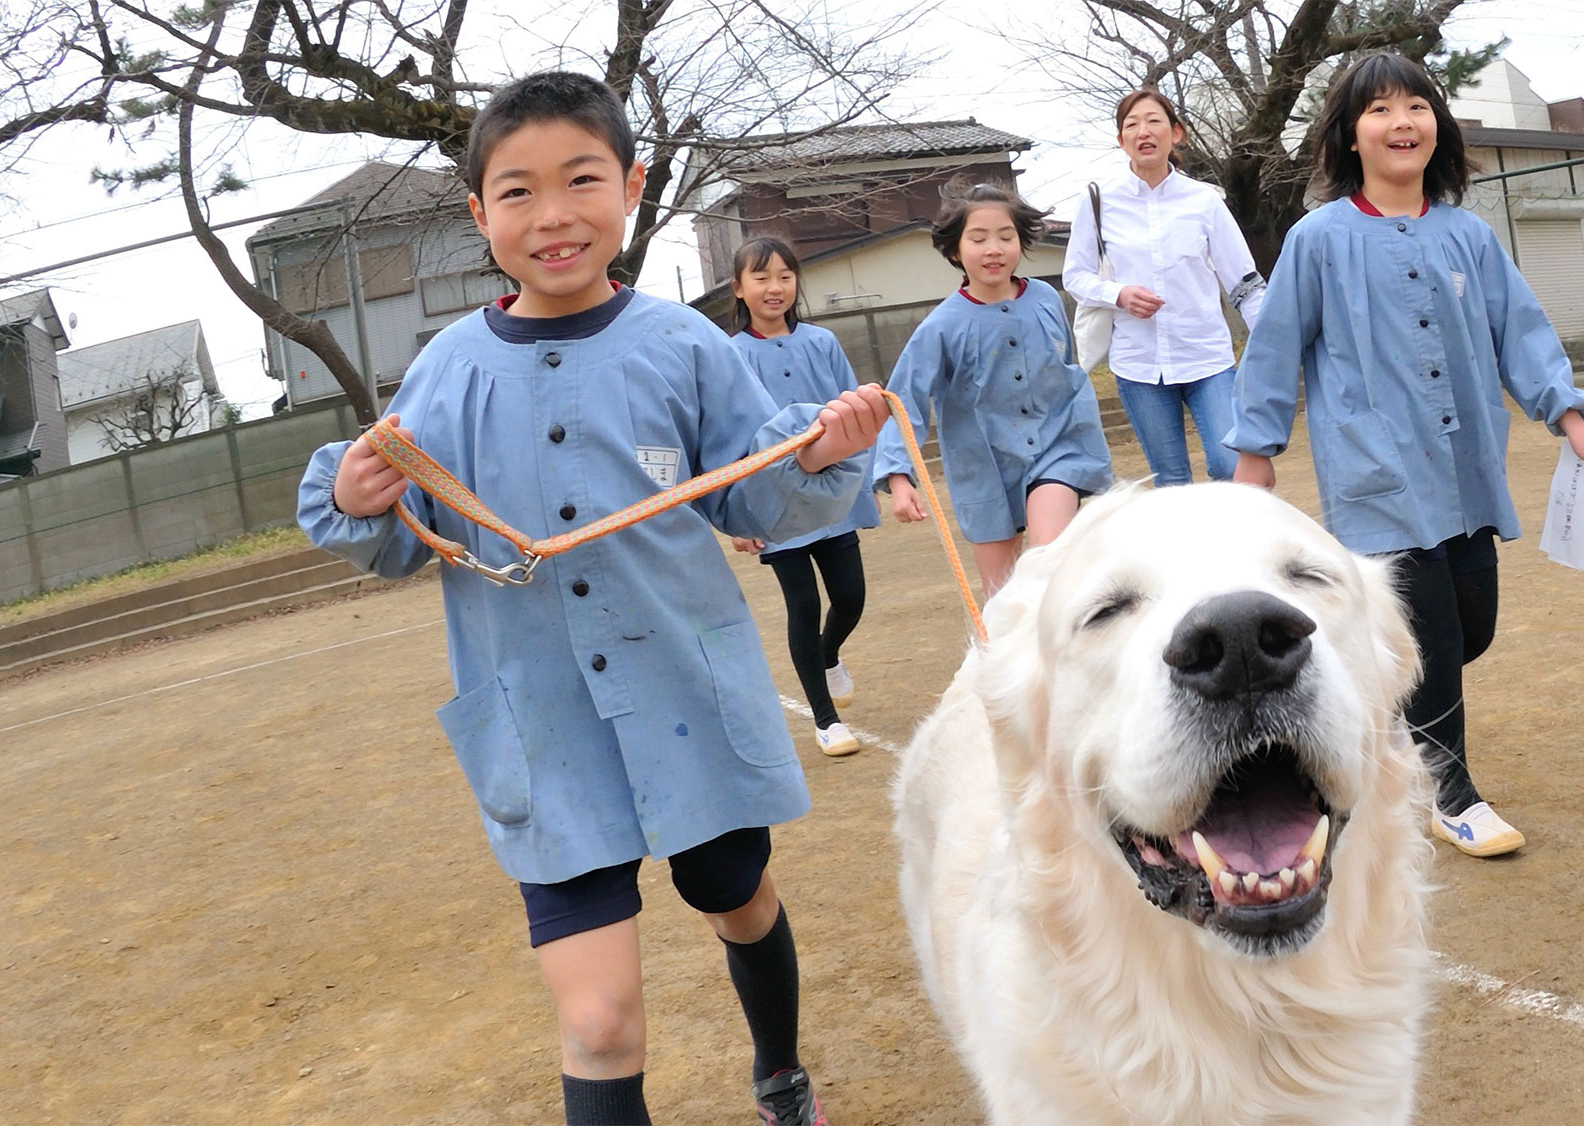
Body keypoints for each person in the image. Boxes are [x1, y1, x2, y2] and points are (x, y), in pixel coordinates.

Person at [296, 71, 886, 1126]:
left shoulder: (683, 343)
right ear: (478, 215)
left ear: (631, 186)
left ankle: (780, 1073)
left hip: (686, 704)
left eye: (581, 180)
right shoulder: (445, 372)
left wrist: (820, 454)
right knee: (601, 1022)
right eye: (516, 192)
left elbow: (758, 493)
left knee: (736, 899)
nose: (553, 215)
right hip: (541, 730)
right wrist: (353, 495)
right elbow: (391, 542)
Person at [1226, 53, 1584, 860]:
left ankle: (1377, 720)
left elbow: (1521, 331)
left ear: (1436, 126)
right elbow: (1272, 350)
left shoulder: (1466, 235)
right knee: (1431, 638)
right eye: (1379, 111)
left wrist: (1568, 415)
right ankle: (1453, 794)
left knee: (1468, 630)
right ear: (1349, 135)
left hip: (1465, 468)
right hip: (1377, 475)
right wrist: (1255, 452)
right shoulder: (1319, 239)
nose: (1401, 123)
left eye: (1415, 106)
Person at [876, 183, 1114, 594]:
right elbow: (905, 399)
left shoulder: (1045, 299)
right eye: (979, 238)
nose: (994, 249)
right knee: (1005, 601)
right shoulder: (941, 326)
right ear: (955, 251)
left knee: (1047, 561)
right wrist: (898, 476)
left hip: (1056, 452)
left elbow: (1065, 367)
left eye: (1006, 236)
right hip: (982, 470)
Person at [1061, 88, 1266, 486]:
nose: (1143, 131)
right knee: (1171, 482)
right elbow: (1075, 276)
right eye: (1131, 125)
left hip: (1207, 358)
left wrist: (1271, 341)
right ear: (1121, 141)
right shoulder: (1098, 201)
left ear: (1176, 133)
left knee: (1231, 468)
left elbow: (1243, 281)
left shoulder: (1205, 201)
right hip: (1138, 364)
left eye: (1154, 120)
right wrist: (1118, 294)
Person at [726, 236, 875, 759]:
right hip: (772, 503)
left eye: (785, 276)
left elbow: (854, 414)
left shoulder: (822, 342)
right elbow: (727, 435)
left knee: (851, 595)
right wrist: (739, 515)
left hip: (833, 497)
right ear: (738, 288)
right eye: (761, 277)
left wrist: (867, 480)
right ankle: (826, 719)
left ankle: (829, 654)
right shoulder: (730, 355)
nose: (775, 287)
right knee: (804, 603)